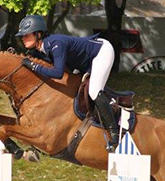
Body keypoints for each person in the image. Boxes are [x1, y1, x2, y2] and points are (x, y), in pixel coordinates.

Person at [16, 15, 120, 151]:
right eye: (22, 35)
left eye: (26, 35)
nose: (23, 38)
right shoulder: (40, 50)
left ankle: (114, 133)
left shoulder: (55, 44)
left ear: (38, 34)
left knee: (94, 91)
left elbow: (58, 73)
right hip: (84, 62)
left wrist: (34, 66)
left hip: (101, 52)